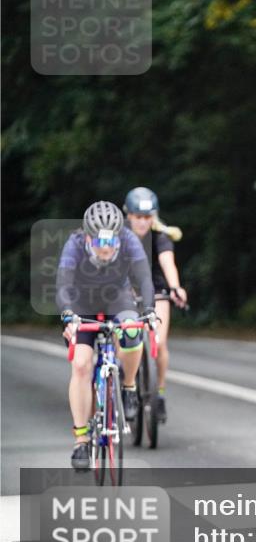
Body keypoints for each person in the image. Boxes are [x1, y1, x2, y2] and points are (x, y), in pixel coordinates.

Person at [58, 201, 156, 470]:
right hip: (82, 304)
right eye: (100, 239)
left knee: (134, 329)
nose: (105, 246)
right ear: (88, 235)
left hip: (118, 299)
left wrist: (148, 310)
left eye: (111, 240)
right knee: (80, 365)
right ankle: (81, 440)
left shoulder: (128, 239)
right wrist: (67, 314)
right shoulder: (74, 243)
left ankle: (128, 387)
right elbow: (64, 284)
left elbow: (144, 279)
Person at [123, 187, 187, 423]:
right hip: (126, 289)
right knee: (122, 333)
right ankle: (126, 374)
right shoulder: (119, 236)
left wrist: (176, 287)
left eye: (147, 217)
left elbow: (168, 262)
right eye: (138, 217)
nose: (143, 222)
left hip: (157, 289)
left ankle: (159, 393)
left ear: (154, 216)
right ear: (128, 215)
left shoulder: (160, 236)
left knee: (159, 343)